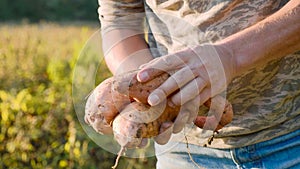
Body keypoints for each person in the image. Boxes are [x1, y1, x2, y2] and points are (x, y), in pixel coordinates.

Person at [97, 0, 300, 168]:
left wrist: (231, 56)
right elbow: (119, 17)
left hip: (290, 136)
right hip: (183, 153)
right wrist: (151, 91)